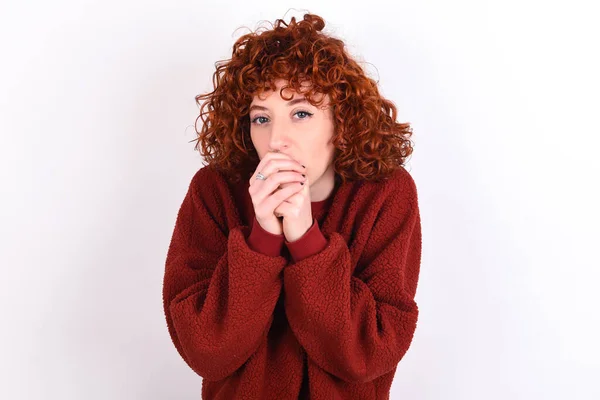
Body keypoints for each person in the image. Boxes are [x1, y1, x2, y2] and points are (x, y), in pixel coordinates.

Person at [162, 12, 422, 400]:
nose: (276, 140)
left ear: (341, 122)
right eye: (261, 118)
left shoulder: (386, 194)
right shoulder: (214, 191)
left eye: (301, 113)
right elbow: (206, 351)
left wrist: (305, 239)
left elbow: (366, 355)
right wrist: (262, 238)